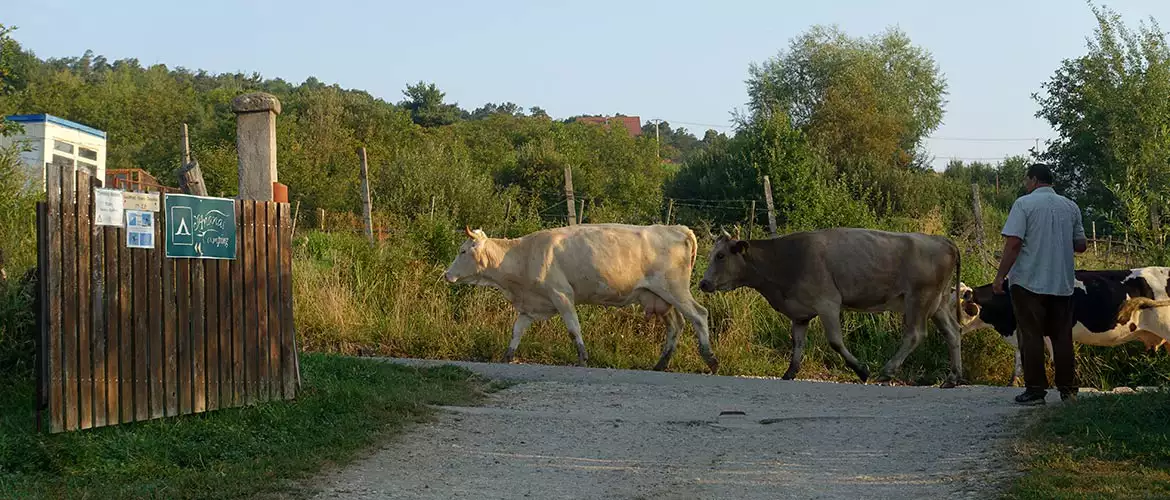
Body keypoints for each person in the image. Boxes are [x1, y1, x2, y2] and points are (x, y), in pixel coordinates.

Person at [993, 163, 1088, 405]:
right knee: (1062, 336)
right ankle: (1068, 390)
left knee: (1031, 335)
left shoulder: (1024, 204)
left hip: (1028, 282)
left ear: (1034, 180)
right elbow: (1081, 245)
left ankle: (1035, 390)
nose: (1026, 185)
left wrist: (1000, 276)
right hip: (1062, 283)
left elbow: (1014, 243)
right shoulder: (1070, 206)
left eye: (1027, 180)